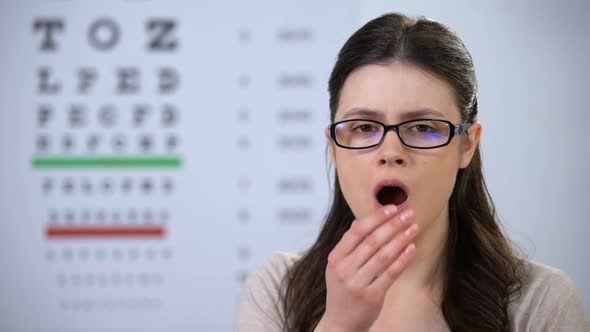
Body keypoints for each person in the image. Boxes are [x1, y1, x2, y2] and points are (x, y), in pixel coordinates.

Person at [235, 12, 590, 332]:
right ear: (334, 147)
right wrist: (340, 324)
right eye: (363, 127)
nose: (391, 153)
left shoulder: (542, 303)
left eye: (422, 128)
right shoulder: (277, 288)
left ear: (467, 145)